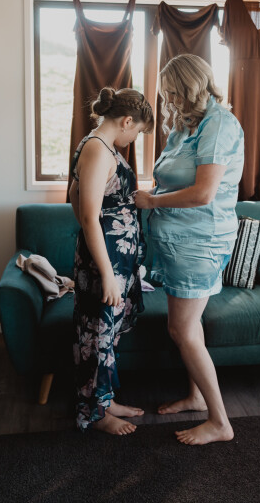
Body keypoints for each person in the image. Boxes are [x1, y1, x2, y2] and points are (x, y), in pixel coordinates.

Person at [135, 54, 244, 446]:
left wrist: (152, 202)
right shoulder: (185, 126)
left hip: (200, 242)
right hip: (177, 242)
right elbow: (170, 179)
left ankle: (220, 422)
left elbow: (203, 193)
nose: (168, 101)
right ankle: (196, 396)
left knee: (181, 329)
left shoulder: (219, 124)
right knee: (187, 326)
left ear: (191, 86)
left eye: (173, 92)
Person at [70, 87, 154, 435]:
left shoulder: (101, 146)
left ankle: (105, 400)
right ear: (127, 121)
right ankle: (96, 413)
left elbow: (75, 195)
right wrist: (105, 271)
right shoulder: (96, 149)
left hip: (116, 261)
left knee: (108, 334)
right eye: (138, 132)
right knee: (98, 335)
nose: (134, 139)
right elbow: (88, 216)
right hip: (106, 264)